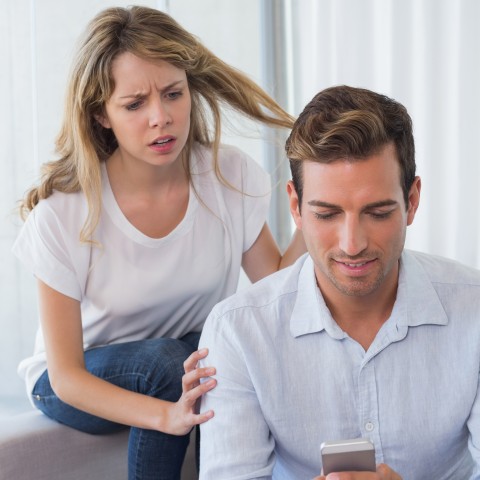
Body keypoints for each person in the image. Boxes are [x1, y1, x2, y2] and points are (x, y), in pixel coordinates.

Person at [12, 6, 306, 480]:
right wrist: (167, 415)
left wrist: (316, 208)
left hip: (179, 360)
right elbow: (66, 377)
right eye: (134, 105)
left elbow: (273, 286)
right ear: (101, 115)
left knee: (221, 348)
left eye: (173, 94)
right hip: (73, 382)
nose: (161, 118)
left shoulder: (227, 176)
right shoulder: (64, 215)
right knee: (171, 365)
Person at [198, 85, 480, 479]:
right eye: (327, 214)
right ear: (296, 207)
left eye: (378, 213)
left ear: (411, 201)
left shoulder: (474, 313)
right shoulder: (238, 332)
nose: (353, 245)